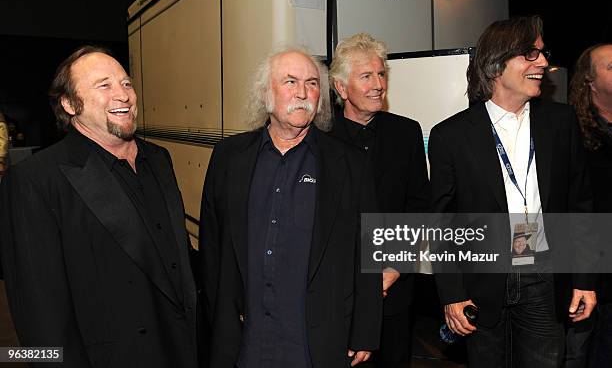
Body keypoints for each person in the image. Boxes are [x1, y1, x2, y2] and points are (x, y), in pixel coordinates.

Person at [0, 46, 199, 368]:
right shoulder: (35, 180)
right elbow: (39, 313)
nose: (122, 95)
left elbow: (175, 256)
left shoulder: (158, 159)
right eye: (104, 86)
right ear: (69, 103)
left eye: (126, 84)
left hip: (181, 348)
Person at [428, 16, 596, 367]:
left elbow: (582, 205)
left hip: (546, 274)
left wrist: (585, 278)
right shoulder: (451, 135)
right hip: (482, 277)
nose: (544, 63)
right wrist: (452, 293)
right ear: (496, 64)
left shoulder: (561, 122)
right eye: (530, 54)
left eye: (542, 53)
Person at [199, 48, 382, 368]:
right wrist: (219, 315)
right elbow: (212, 247)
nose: (303, 93)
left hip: (315, 342)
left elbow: (367, 249)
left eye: (312, 83)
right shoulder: (229, 157)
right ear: (265, 93)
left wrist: (365, 330)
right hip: (245, 340)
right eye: (290, 82)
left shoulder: (348, 164)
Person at [328, 33, 430, 367]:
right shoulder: (321, 139)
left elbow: (418, 206)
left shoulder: (407, 133)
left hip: (394, 287)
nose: (378, 84)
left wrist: (393, 269)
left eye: (381, 74)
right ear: (341, 89)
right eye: (366, 76)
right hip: (336, 291)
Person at [568, 43, 612, 368]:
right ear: (589, 80)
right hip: (588, 261)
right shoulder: (569, 130)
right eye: (611, 67)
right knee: (581, 350)